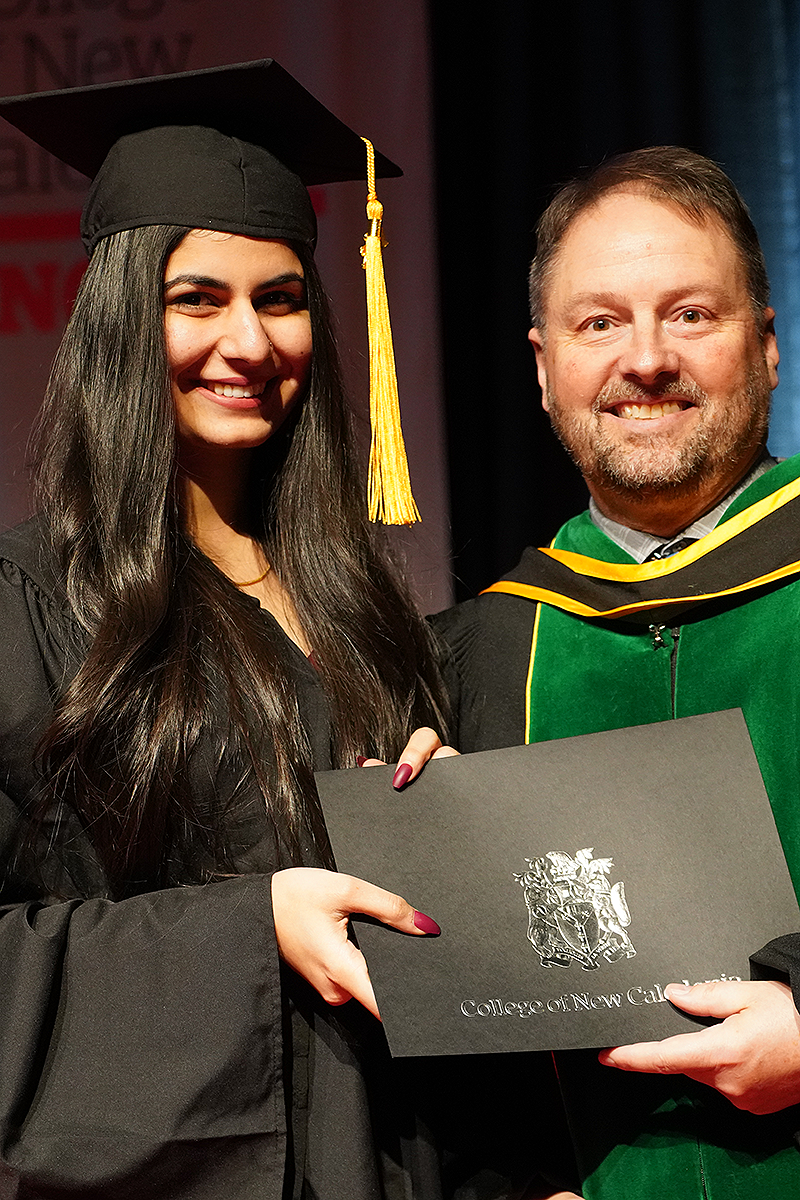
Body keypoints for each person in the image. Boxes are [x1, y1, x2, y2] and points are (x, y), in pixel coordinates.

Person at [0, 61, 450, 1198]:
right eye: (197, 299)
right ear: (119, 321)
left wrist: (449, 832)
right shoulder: (26, 604)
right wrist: (251, 927)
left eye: (281, 298)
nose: (248, 343)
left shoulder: (368, 609)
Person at [428, 146, 800, 1197]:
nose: (646, 359)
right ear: (543, 366)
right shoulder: (475, 659)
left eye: (691, 314)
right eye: (598, 323)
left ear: (767, 345)